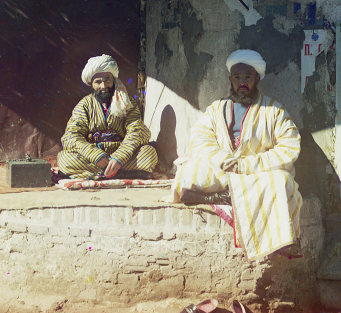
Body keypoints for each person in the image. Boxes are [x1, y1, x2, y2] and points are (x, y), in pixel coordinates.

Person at [172, 49, 302, 261]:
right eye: (237, 77)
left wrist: (247, 165)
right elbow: (200, 139)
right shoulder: (216, 108)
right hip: (223, 169)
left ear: (257, 78)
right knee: (189, 172)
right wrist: (223, 160)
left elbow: (289, 147)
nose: (242, 83)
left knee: (280, 181)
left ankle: (222, 197)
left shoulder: (274, 110)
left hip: (256, 173)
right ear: (230, 79)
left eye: (248, 78)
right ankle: (227, 195)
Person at [58, 54, 157, 179]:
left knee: (148, 153)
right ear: (92, 85)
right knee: (65, 159)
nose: (103, 86)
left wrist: (119, 157)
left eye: (107, 80)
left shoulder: (127, 102)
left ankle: (103, 173)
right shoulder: (84, 105)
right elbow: (70, 136)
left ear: (113, 80)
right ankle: (120, 174)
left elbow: (137, 131)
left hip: (122, 155)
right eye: (98, 82)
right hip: (94, 157)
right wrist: (95, 155)